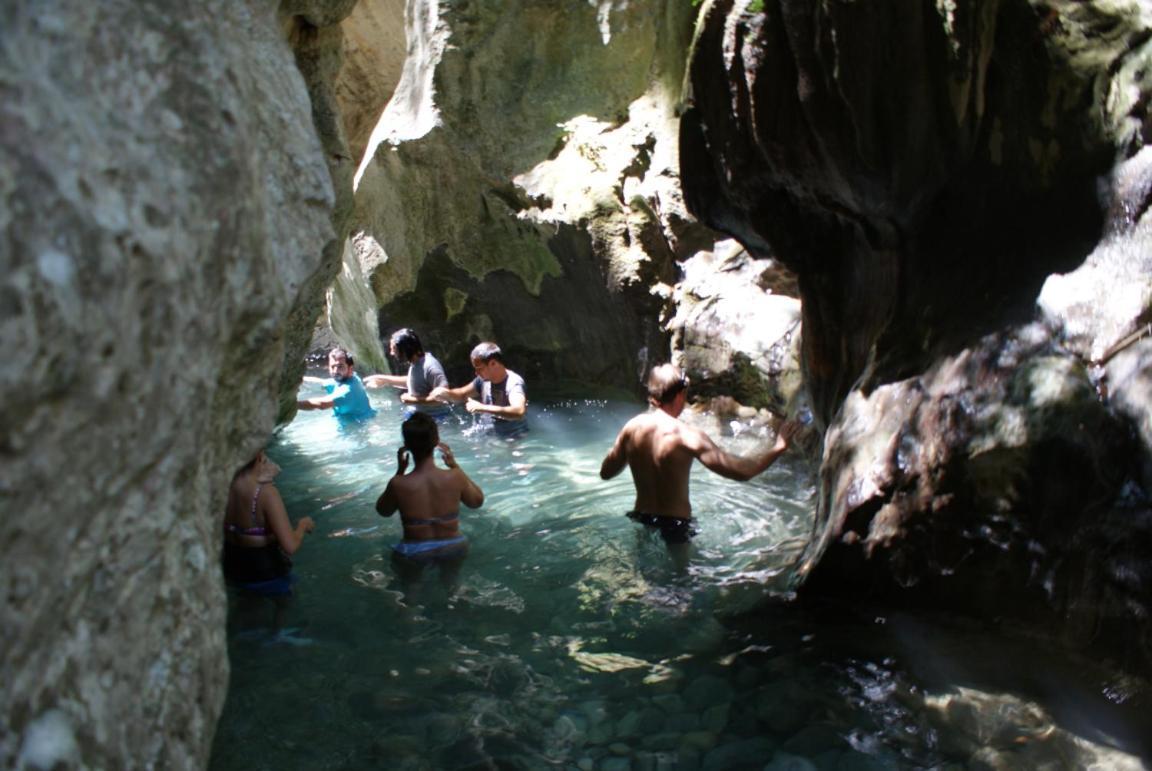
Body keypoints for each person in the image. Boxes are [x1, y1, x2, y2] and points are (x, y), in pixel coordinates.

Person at [599, 363, 800, 546]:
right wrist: (779, 447)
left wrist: (627, 450)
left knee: (645, 574)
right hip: (676, 525)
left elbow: (606, 473)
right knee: (680, 580)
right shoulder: (686, 436)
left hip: (640, 518)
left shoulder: (631, 428)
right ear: (679, 395)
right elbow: (742, 472)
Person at [375, 412, 485, 598]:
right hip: (454, 545)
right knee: (452, 584)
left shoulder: (399, 483)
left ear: (407, 446)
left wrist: (399, 472)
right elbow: (477, 502)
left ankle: (411, 619)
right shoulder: (454, 476)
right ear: (437, 442)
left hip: (415, 550)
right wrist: (455, 466)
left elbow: (383, 511)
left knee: (411, 590)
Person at [222, 449, 314, 595]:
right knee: (284, 606)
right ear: (258, 456)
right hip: (266, 571)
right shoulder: (266, 493)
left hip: (231, 567)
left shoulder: (222, 483)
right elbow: (290, 547)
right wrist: (302, 525)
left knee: (248, 603)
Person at [429, 342, 528, 437]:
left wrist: (482, 407)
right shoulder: (483, 380)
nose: (476, 373)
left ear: (493, 363)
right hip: (491, 434)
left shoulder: (513, 383)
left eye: (479, 368)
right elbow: (463, 394)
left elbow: (518, 411)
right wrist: (446, 393)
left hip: (512, 437)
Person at [363, 328, 451, 418]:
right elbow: (416, 381)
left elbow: (444, 397)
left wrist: (413, 400)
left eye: (394, 349)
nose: (392, 353)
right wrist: (384, 380)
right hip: (421, 415)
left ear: (405, 350)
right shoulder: (417, 363)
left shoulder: (431, 367)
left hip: (437, 419)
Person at [297, 347, 377, 422]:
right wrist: (294, 380)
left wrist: (292, 405)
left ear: (350, 369)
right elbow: (321, 383)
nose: (335, 371)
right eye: (332, 367)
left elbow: (322, 404)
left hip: (359, 426)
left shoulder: (348, 390)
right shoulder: (349, 378)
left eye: (340, 367)